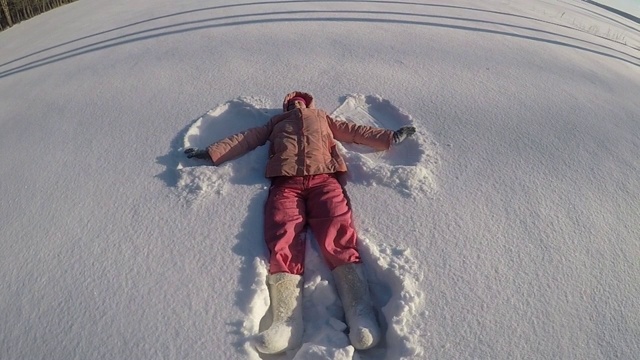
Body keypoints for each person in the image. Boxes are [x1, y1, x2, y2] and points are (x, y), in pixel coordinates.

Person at [184, 91, 416, 354]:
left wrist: (388, 137)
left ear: (309, 103)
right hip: (286, 183)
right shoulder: (276, 124)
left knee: (337, 232)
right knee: (283, 235)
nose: (296, 103)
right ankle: (286, 322)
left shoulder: (322, 118)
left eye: (301, 100)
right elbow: (247, 139)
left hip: (324, 180)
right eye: (292, 102)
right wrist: (212, 152)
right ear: (286, 107)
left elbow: (352, 131)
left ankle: (360, 313)